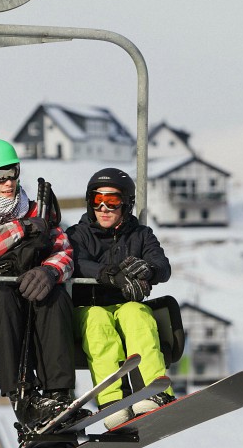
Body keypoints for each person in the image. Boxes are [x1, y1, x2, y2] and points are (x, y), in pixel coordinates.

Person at [0, 138, 81, 433]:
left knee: (55, 297)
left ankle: (58, 395)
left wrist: (49, 271)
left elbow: (64, 250)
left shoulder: (37, 210)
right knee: (1, 298)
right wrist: (19, 228)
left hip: (31, 297)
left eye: (13, 172)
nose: (8, 182)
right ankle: (22, 396)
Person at [66, 167, 175, 430]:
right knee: (97, 322)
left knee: (136, 315)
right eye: (97, 200)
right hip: (88, 306)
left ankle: (153, 390)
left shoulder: (140, 235)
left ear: (125, 204)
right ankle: (112, 400)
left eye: (112, 201)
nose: (103, 207)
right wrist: (107, 274)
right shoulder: (77, 234)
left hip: (126, 304)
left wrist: (148, 270)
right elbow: (74, 262)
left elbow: (163, 266)